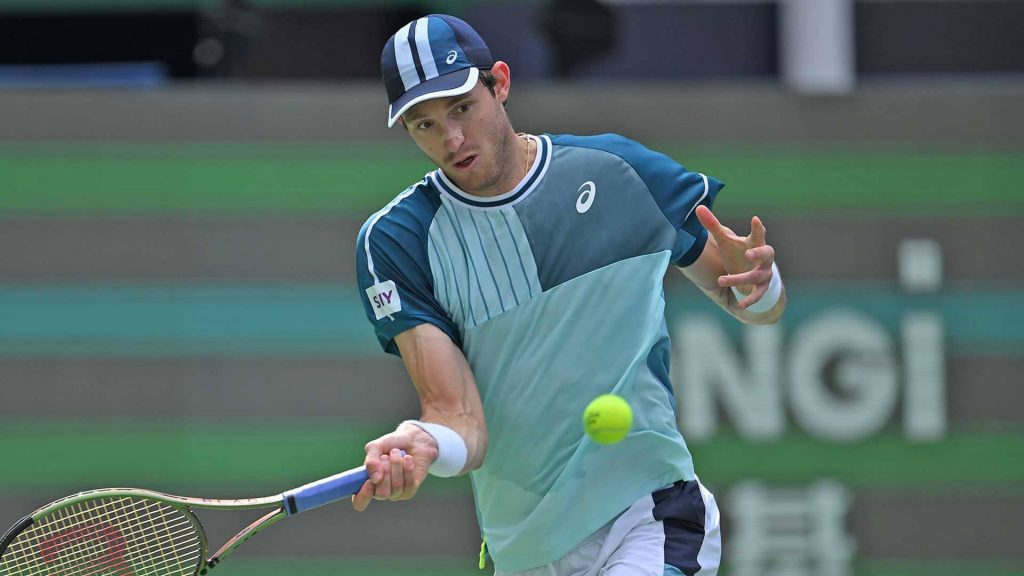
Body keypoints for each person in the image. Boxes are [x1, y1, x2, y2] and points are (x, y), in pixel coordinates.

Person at [354, 14, 786, 576]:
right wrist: (423, 442)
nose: (451, 138)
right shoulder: (396, 242)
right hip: (525, 552)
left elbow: (757, 308)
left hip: (648, 514)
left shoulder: (617, 172)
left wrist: (759, 283)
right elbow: (462, 423)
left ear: (499, 84)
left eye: (461, 107)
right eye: (424, 124)